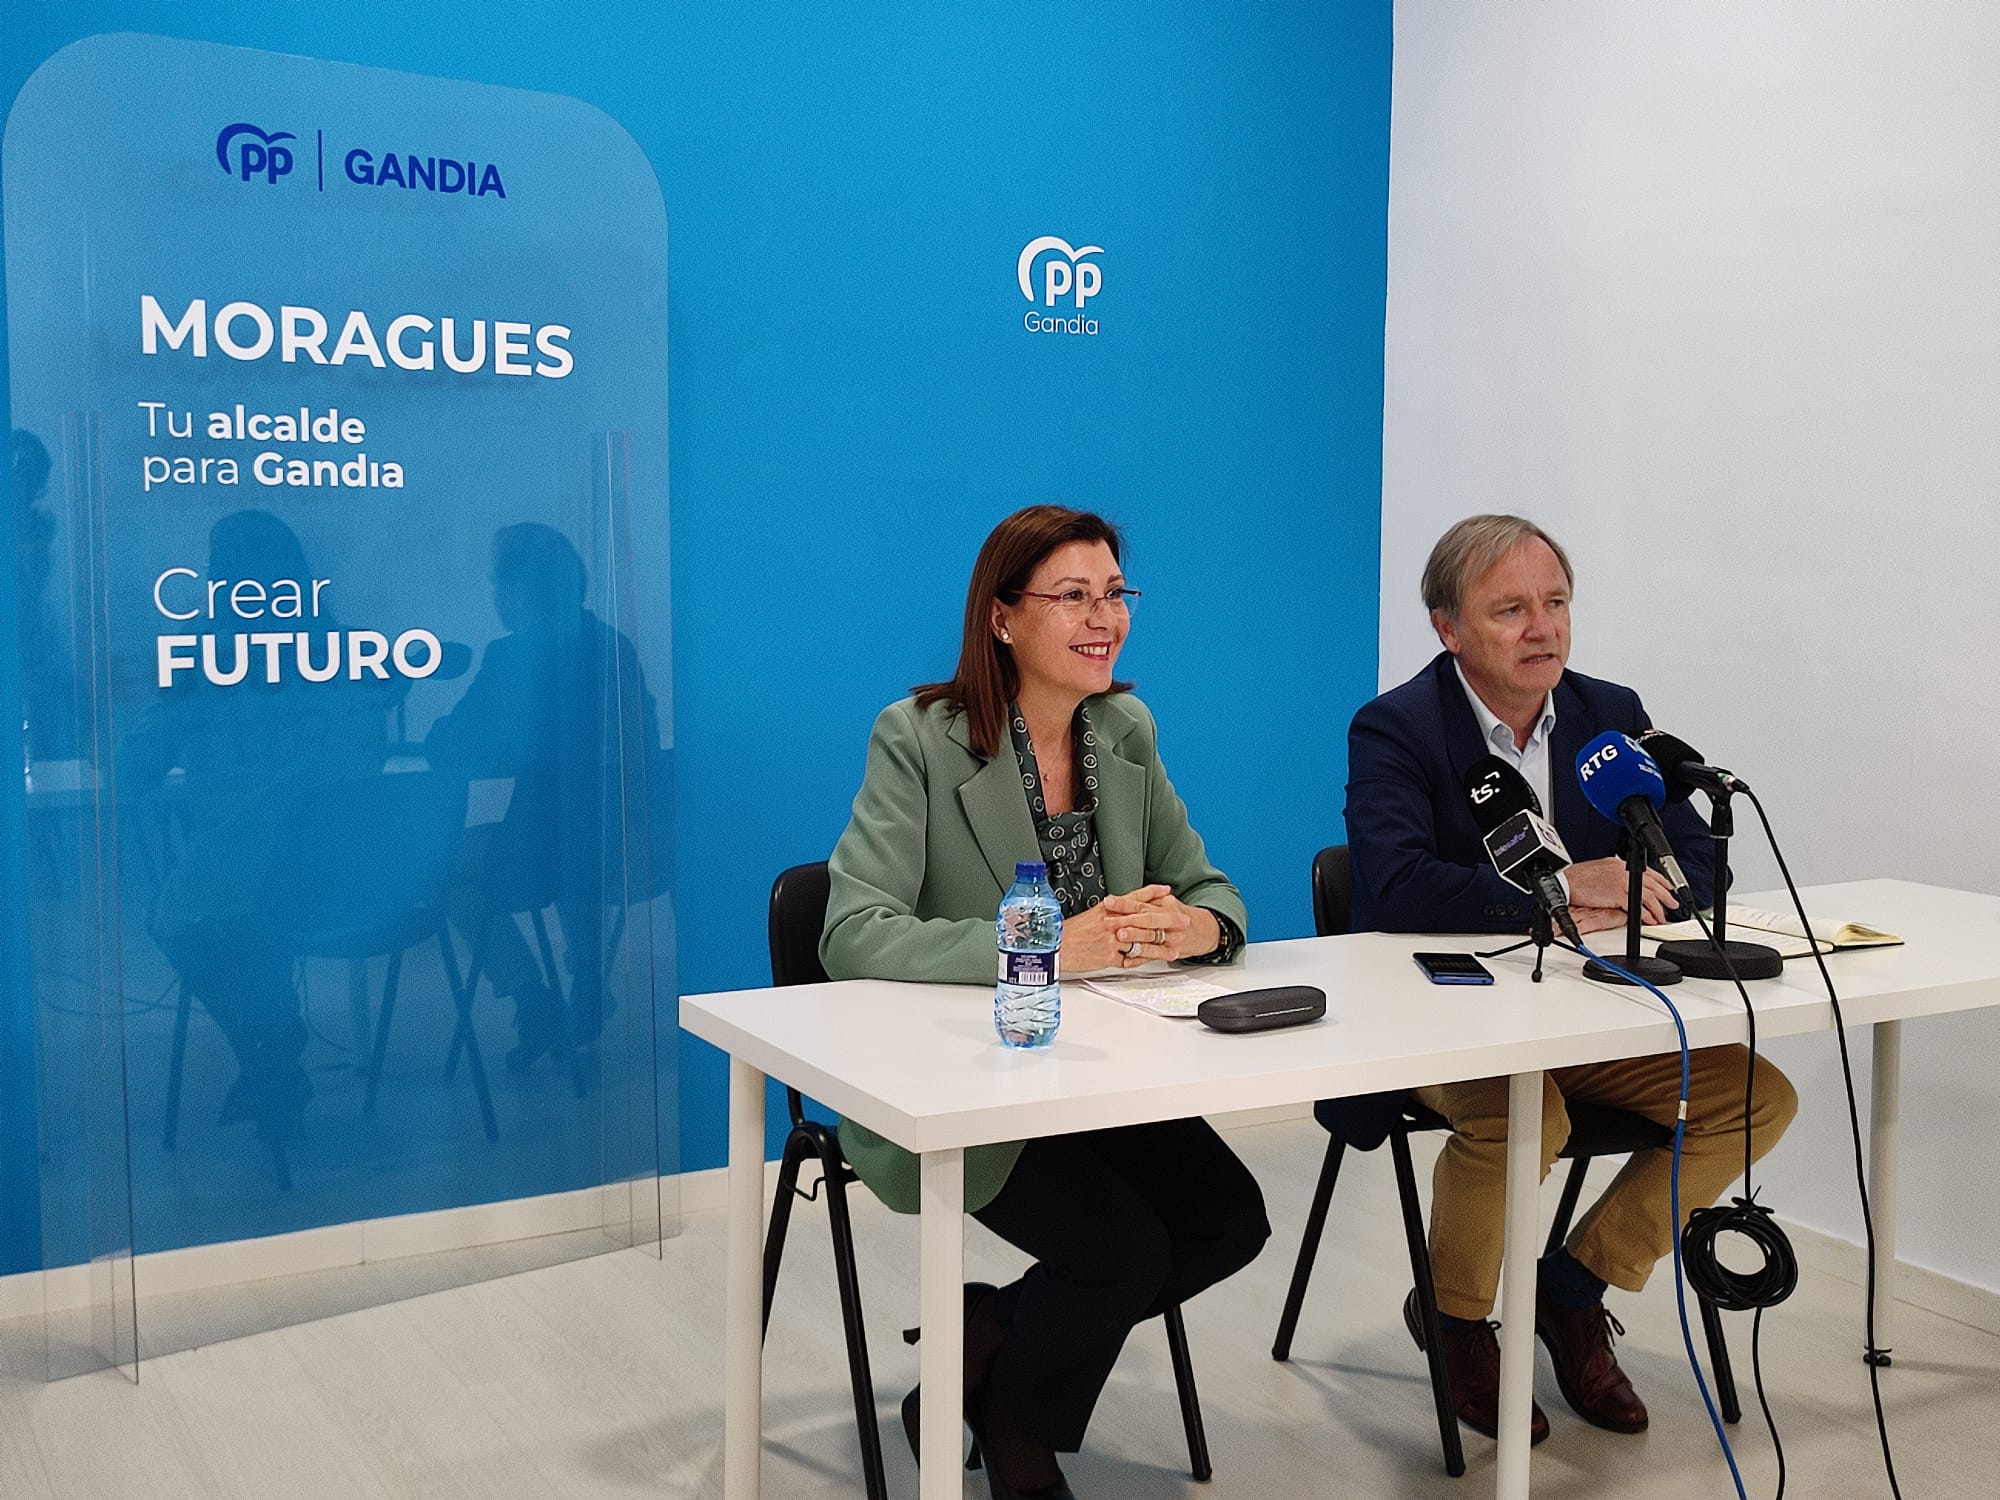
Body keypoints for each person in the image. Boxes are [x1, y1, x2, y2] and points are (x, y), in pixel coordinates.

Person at [821, 504, 1269, 1500]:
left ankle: (987, 1355)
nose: (1101, 617)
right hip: (963, 1080)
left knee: (1226, 1220)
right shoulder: (919, 739)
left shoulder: (1124, 729)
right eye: (1071, 596)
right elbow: (851, 930)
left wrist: (1194, 929)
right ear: (1000, 617)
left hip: (1101, 1071)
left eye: (1114, 594)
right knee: (1120, 1252)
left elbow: (1213, 892)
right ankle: (1018, 1413)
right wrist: (1042, 945)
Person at [1344, 513, 1797, 1443]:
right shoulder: (1396, 727)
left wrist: (1641, 880)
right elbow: (1391, 882)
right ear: (1448, 627)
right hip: (1443, 1021)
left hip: (1588, 1018)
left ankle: (1573, 1286)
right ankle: (1458, 1318)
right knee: (1526, 1113)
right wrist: (1551, 899)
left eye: (1555, 604)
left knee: (1757, 1097)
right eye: (1510, 609)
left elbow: (1699, 856)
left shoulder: (1610, 713)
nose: (1542, 628)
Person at [425, 522, 664, 1070]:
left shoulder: (514, 656)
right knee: (572, 838)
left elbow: (452, 746)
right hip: (630, 845)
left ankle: (531, 998)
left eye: (496, 583)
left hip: (550, 856)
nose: (493, 596)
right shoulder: (612, 644)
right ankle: (585, 981)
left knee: (450, 871)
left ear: (515, 591)